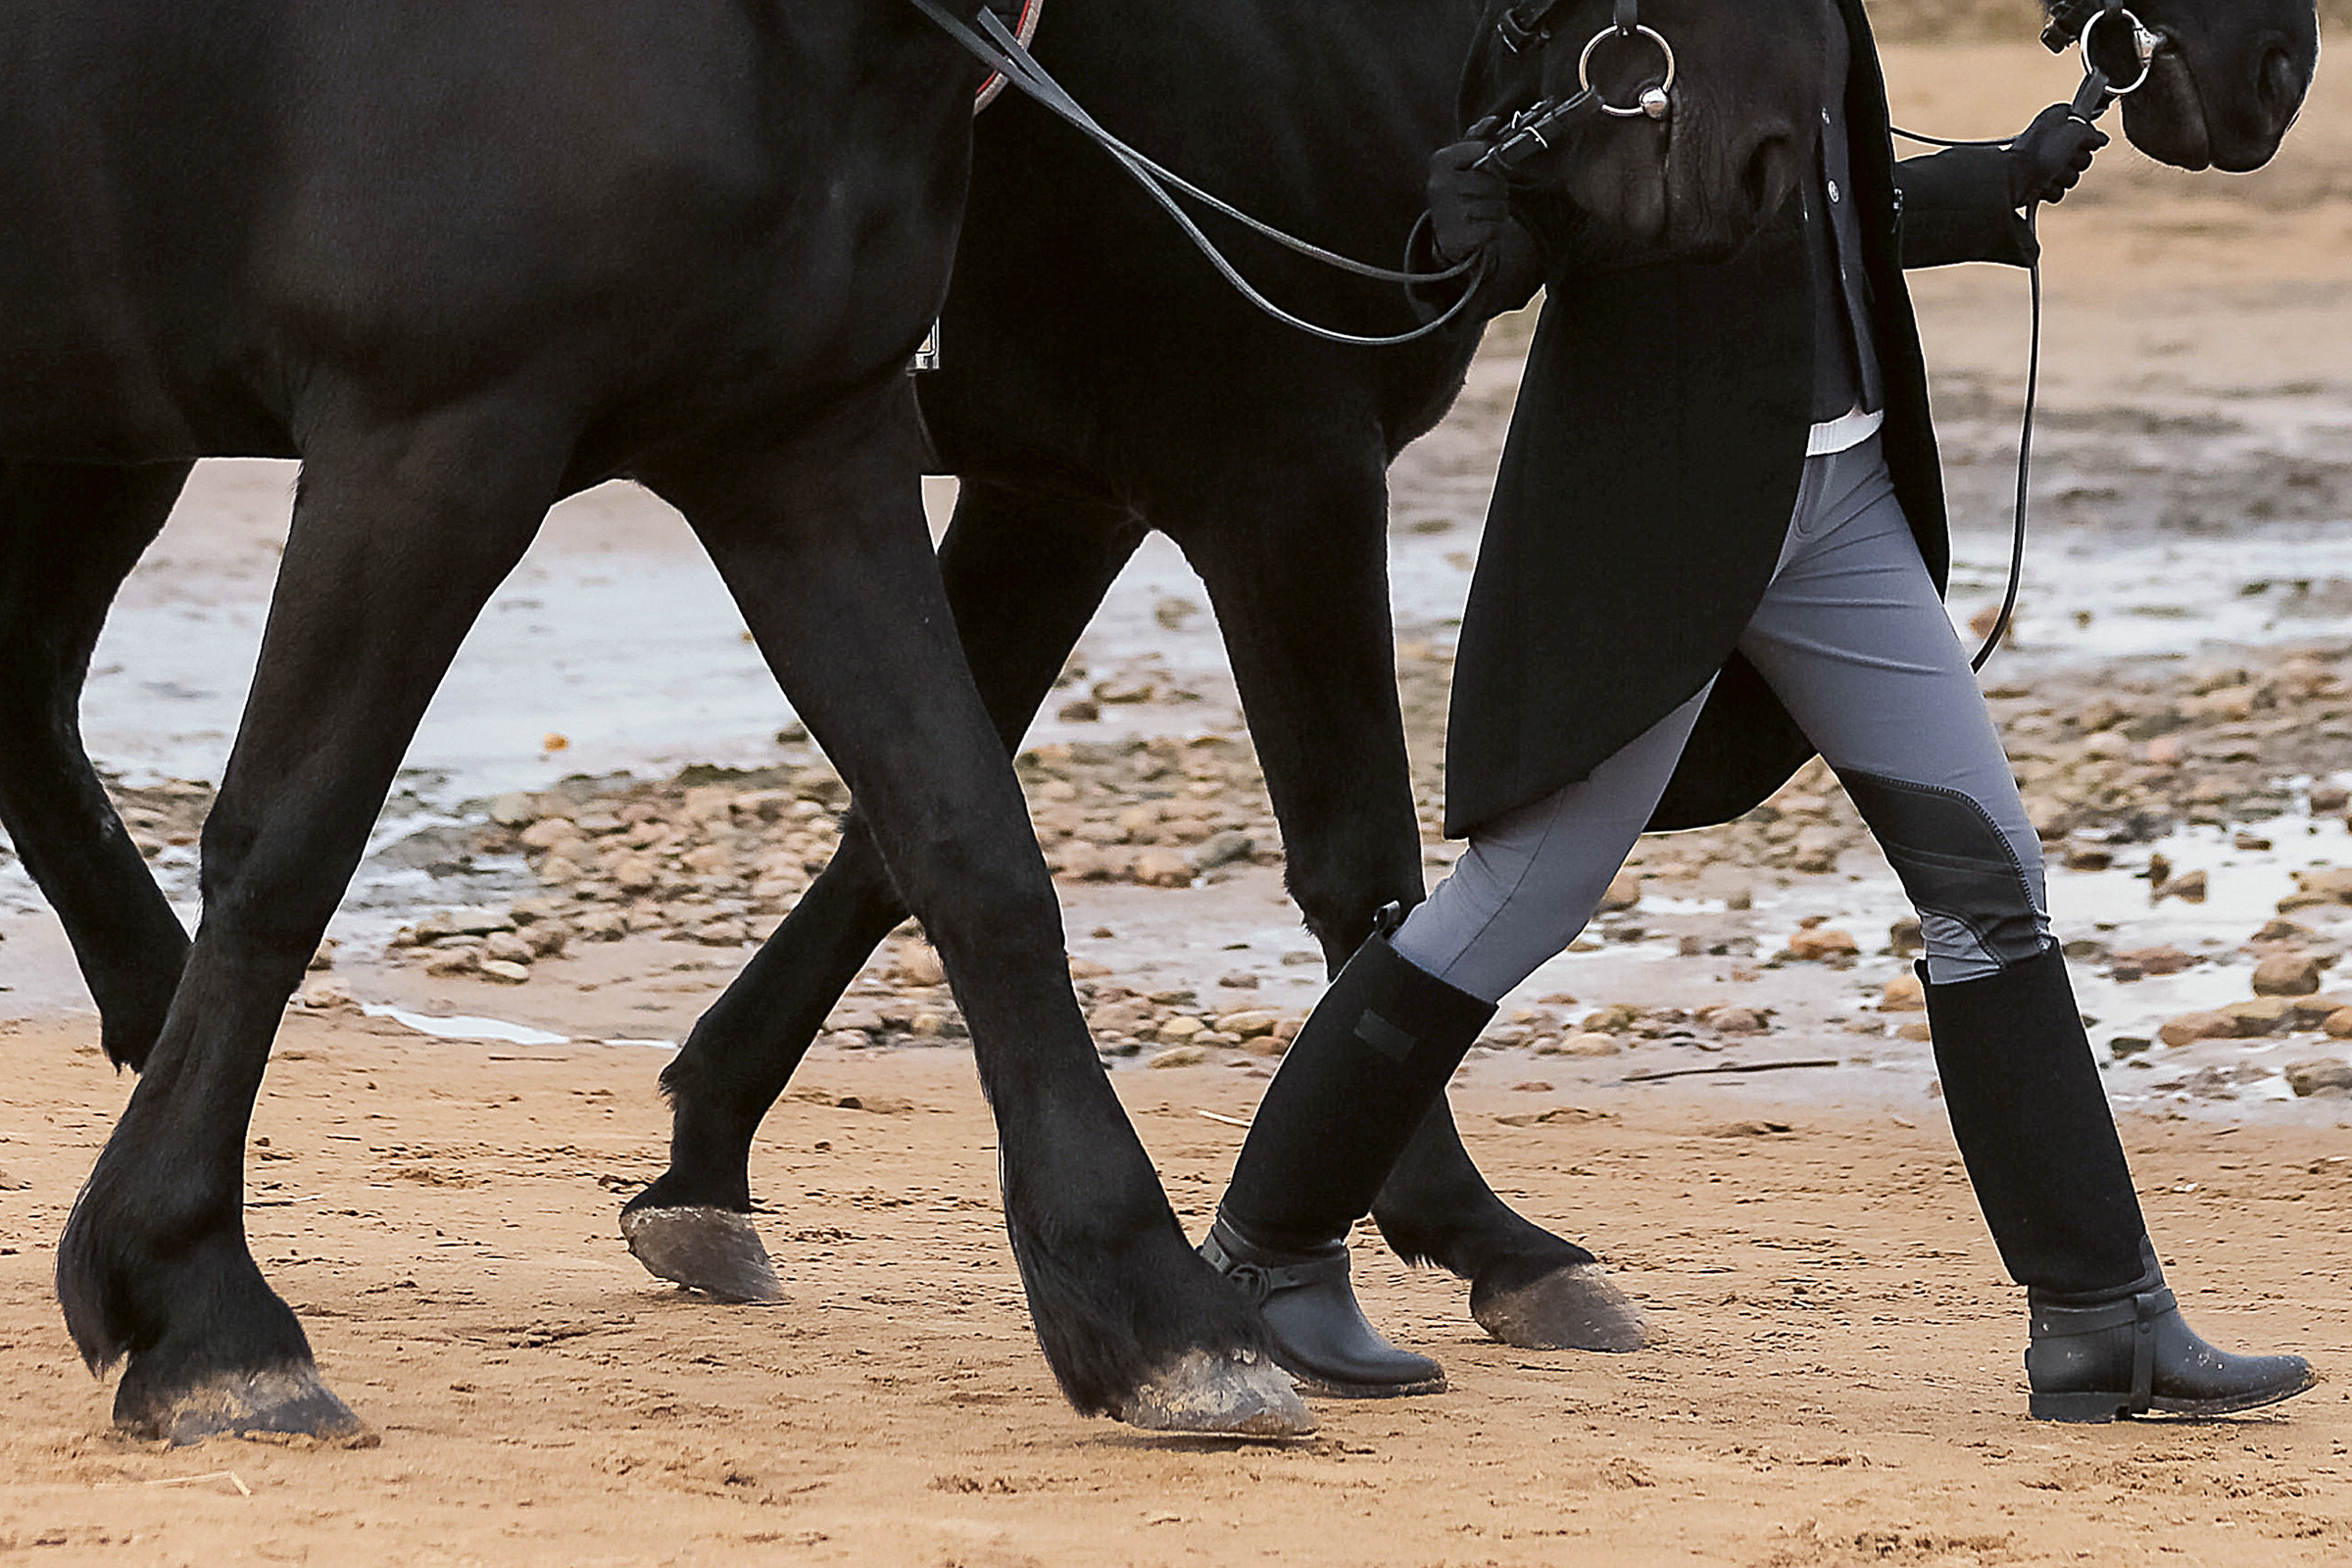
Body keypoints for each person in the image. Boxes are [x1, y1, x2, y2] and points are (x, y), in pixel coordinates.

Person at [1197, 3, 2318, 1422]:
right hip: (1669, 516)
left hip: (1842, 509)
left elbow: (1816, 199)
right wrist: (1479, 235)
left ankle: (2102, 1317)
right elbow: (1555, 221)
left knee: (1990, 882)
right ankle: (1263, 1257)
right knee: (1516, 903)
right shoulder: (1608, 11)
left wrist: (1985, 185)